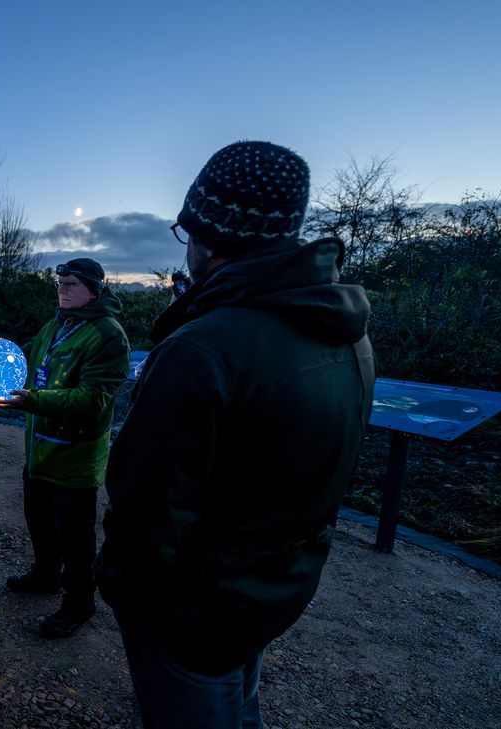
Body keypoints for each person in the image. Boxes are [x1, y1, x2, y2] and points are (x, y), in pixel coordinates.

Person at [96, 141, 375, 728]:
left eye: (186, 232)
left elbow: (150, 503)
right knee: (238, 696)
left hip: (194, 606)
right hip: (275, 584)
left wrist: (125, 587)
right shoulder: (346, 333)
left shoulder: (201, 348)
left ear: (207, 237)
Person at [0, 258, 130, 639]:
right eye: (60, 283)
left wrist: (32, 401)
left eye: (71, 284)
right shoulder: (56, 324)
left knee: (76, 539)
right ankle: (45, 575)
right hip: (39, 454)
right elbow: (29, 362)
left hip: (74, 458)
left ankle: (79, 604)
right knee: (38, 520)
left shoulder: (108, 335)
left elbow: (92, 400)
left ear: (93, 290)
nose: (62, 290)